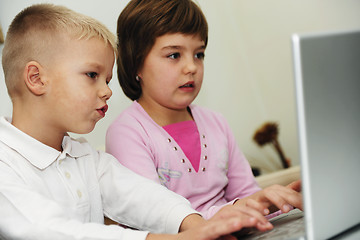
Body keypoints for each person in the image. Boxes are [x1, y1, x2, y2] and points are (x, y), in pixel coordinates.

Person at [0, 3, 274, 240]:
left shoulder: (84, 157)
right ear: (36, 78)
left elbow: (141, 196)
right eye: (92, 75)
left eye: (107, 80)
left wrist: (197, 226)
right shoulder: (4, 163)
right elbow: (50, 230)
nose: (107, 90)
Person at [106, 0, 302, 220]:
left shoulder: (216, 122)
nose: (191, 67)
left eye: (199, 54)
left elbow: (248, 195)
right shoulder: (127, 133)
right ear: (136, 64)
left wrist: (280, 201)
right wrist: (238, 210)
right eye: (174, 55)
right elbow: (158, 219)